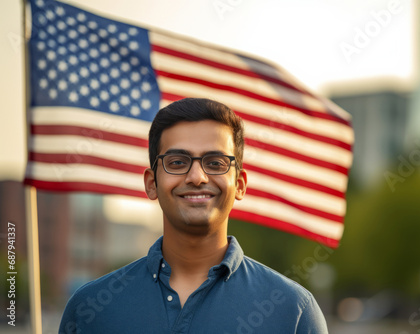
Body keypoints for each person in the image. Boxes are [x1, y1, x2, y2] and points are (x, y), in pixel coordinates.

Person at [59, 98, 329, 333]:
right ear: (152, 184)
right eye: (177, 162)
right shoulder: (89, 310)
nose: (197, 177)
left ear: (241, 184)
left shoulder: (294, 312)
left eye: (215, 163)